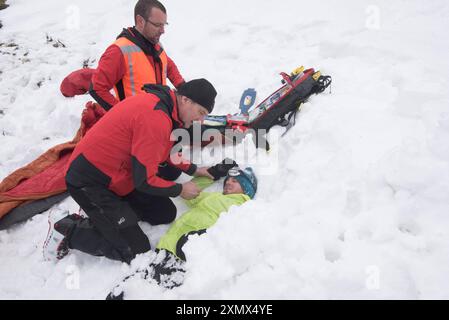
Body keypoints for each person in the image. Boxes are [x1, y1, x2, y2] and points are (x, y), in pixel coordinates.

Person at [43, 78, 217, 264]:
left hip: (120, 175)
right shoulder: (156, 117)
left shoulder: (168, 110)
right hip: (90, 181)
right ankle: (68, 229)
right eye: (201, 112)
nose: (201, 120)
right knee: (135, 250)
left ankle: (111, 217)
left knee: (163, 213)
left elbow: (165, 151)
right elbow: (145, 180)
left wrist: (194, 169)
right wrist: (180, 190)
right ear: (185, 100)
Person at [106, 162, 258, 299]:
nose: (229, 183)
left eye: (235, 181)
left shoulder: (242, 206)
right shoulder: (214, 197)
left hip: (186, 251)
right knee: (140, 282)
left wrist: (202, 238)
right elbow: (191, 193)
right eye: (228, 180)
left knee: (158, 289)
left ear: (246, 190)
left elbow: (234, 232)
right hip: (169, 245)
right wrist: (214, 174)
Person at [89, 0, 185, 112]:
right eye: (158, 25)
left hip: (158, 117)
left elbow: (167, 65)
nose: (163, 31)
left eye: (164, 25)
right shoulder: (119, 51)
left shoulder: (155, 44)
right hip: (135, 124)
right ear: (140, 21)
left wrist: (183, 88)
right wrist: (121, 115)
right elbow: (97, 88)